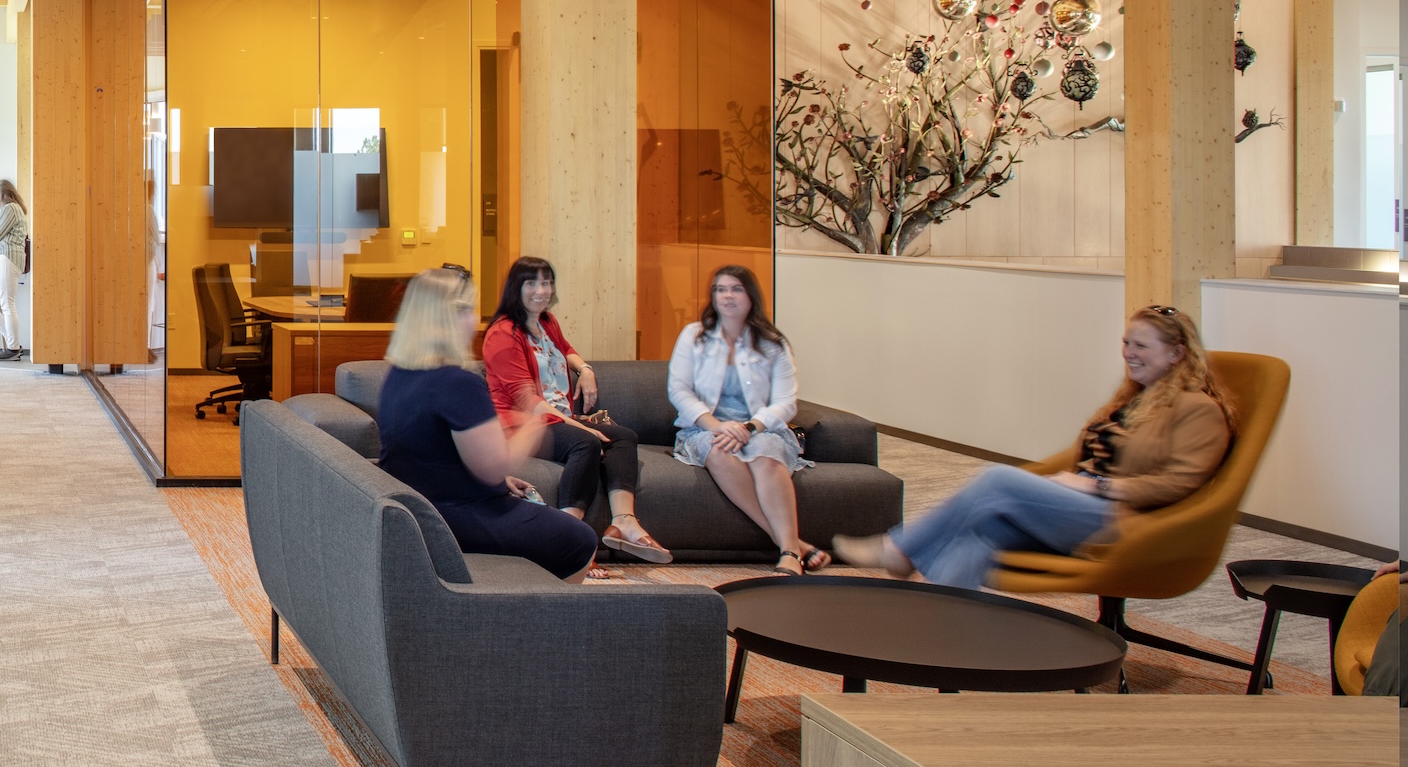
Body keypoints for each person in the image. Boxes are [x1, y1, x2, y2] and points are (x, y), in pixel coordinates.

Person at [834, 305, 1233, 589]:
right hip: (1077, 503)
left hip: (1124, 518)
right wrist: (1075, 482)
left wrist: (1099, 487)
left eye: (1141, 346)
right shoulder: (1133, 398)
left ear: (1177, 353)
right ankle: (944, 625)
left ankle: (900, 549)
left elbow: (1181, 482)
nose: (1129, 353)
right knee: (983, 526)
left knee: (997, 480)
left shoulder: (1199, 409)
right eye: (1127, 342)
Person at [374, 266, 599, 581]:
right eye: (468, 311)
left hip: (423, 507)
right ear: (448, 319)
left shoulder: (398, 375)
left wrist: (499, 479)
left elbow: (432, 454)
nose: (475, 321)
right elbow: (494, 466)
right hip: (457, 515)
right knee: (581, 540)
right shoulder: (458, 384)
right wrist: (533, 426)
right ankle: (550, 621)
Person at [481, 256, 669, 563]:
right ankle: (569, 537)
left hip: (559, 418)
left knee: (623, 436)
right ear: (516, 288)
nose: (541, 290)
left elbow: (564, 348)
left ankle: (624, 521)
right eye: (532, 283)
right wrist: (580, 426)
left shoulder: (546, 322)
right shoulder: (502, 333)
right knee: (587, 441)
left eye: (547, 282)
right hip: (523, 423)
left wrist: (585, 370)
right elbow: (525, 398)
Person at [669, 264, 827, 575]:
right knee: (719, 451)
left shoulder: (772, 343)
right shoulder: (694, 335)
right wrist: (716, 425)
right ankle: (793, 546)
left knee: (766, 457)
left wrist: (749, 427)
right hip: (706, 428)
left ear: (751, 296)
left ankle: (789, 553)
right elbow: (678, 390)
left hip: (759, 428)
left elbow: (786, 402)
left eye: (735, 289)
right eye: (720, 289)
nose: (727, 296)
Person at [0, 178, 30, 362]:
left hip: (8, 258)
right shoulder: (12, 210)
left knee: (7, 304)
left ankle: (13, 348)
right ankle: (14, 346)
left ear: (2, 192)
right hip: (2, 260)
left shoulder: (10, 209)